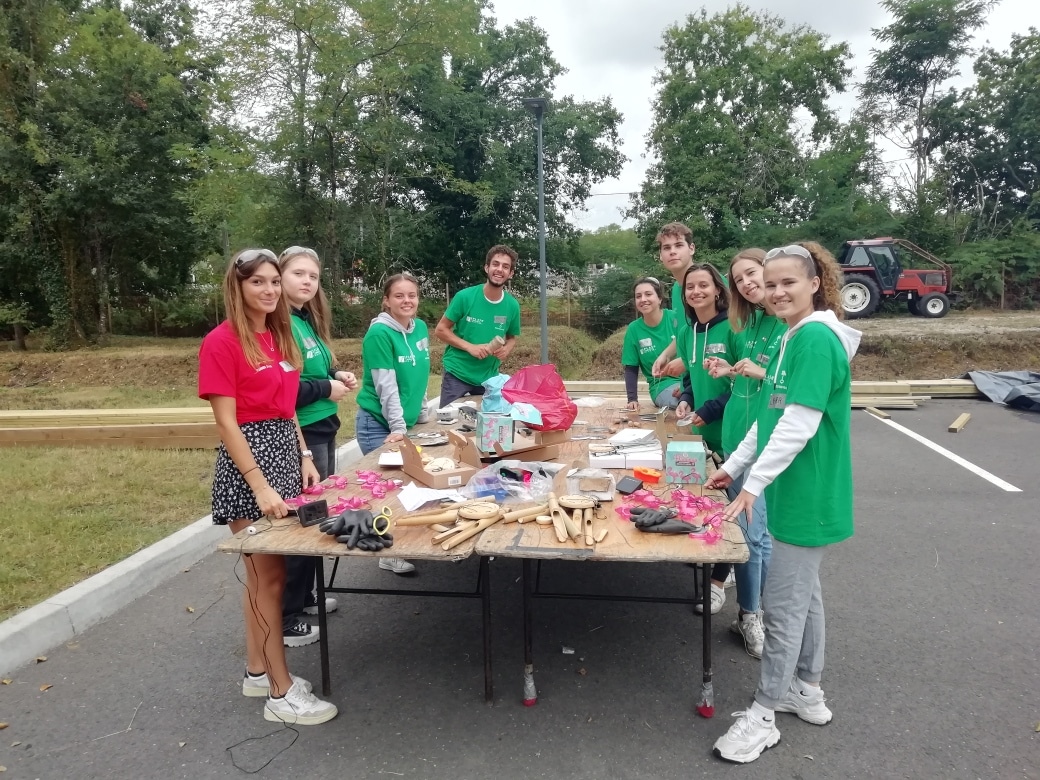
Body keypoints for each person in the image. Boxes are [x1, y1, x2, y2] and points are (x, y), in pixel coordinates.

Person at [706, 242, 860, 764]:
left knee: (784, 607)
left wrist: (752, 485)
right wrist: (733, 466)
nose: (775, 292)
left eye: (787, 282)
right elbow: (767, 417)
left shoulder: (815, 339)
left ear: (815, 283)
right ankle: (807, 692)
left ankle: (764, 713)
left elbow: (798, 423)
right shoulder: (791, 337)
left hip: (808, 495)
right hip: (794, 491)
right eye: (770, 284)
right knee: (806, 596)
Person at [198, 248, 338, 726]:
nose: (269, 290)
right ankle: (281, 693)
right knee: (269, 578)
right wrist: (258, 484)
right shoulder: (221, 342)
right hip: (249, 467)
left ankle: (258, 671)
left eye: (274, 281)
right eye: (257, 281)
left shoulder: (278, 336)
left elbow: (287, 406)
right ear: (237, 287)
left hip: (284, 455)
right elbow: (227, 423)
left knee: (265, 578)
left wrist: (304, 456)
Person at [703, 249, 784, 658]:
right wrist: (728, 369)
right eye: (739, 279)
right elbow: (744, 375)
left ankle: (751, 614)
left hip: (765, 443)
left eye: (752, 273)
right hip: (736, 439)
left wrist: (763, 372)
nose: (747, 283)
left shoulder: (791, 325)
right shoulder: (746, 323)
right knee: (755, 535)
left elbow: (796, 386)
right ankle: (751, 611)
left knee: (755, 536)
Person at [276, 245, 359, 647]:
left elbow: (316, 369)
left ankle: (305, 595)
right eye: (298, 273)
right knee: (301, 520)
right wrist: (327, 387)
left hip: (323, 428)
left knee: (314, 515)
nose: (307, 281)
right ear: (280, 276)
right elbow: (284, 389)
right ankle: (287, 615)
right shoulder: (280, 326)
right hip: (302, 434)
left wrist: (336, 373)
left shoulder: (304, 320)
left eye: (313, 275)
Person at [355, 272, 431, 575]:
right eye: (399, 296)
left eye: (411, 295)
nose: (406, 301)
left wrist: (422, 413)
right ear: (386, 301)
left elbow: (421, 374)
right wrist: (398, 428)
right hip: (378, 424)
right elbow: (386, 387)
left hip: (404, 423)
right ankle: (387, 552)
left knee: (409, 483)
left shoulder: (419, 328)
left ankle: (399, 542)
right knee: (388, 489)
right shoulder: (379, 335)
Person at [674, 262, 736, 616]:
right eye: (690, 287)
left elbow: (746, 385)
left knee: (731, 511)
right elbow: (690, 378)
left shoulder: (734, 328)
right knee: (708, 505)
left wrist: (712, 408)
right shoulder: (687, 333)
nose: (696, 292)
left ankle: (717, 583)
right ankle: (716, 562)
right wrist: (686, 399)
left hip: (732, 434)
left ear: (717, 289)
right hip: (701, 436)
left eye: (703, 285)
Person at [435, 245, 521, 408]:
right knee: (449, 420)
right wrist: (470, 347)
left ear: (510, 274)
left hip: (488, 379)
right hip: (457, 374)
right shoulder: (464, 297)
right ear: (487, 268)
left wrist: (507, 349)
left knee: (490, 421)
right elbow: (440, 330)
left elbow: (511, 338)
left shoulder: (512, 306)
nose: (499, 269)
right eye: (495, 264)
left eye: (505, 266)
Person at [622, 276, 680, 410]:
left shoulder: (676, 319)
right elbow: (631, 367)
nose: (643, 299)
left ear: (660, 298)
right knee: (681, 401)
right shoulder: (634, 329)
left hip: (691, 381)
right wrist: (632, 399)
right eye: (638, 296)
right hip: (663, 386)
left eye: (648, 294)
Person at [650, 222, 697, 381]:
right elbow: (686, 334)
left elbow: (725, 335)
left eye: (678, 245)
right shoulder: (677, 289)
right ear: (660, 255)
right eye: (667, 248)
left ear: (691, 248)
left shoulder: (710, 283)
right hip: (694, 381)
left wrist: (687, 361)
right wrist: (665, 354)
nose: (673, 251)